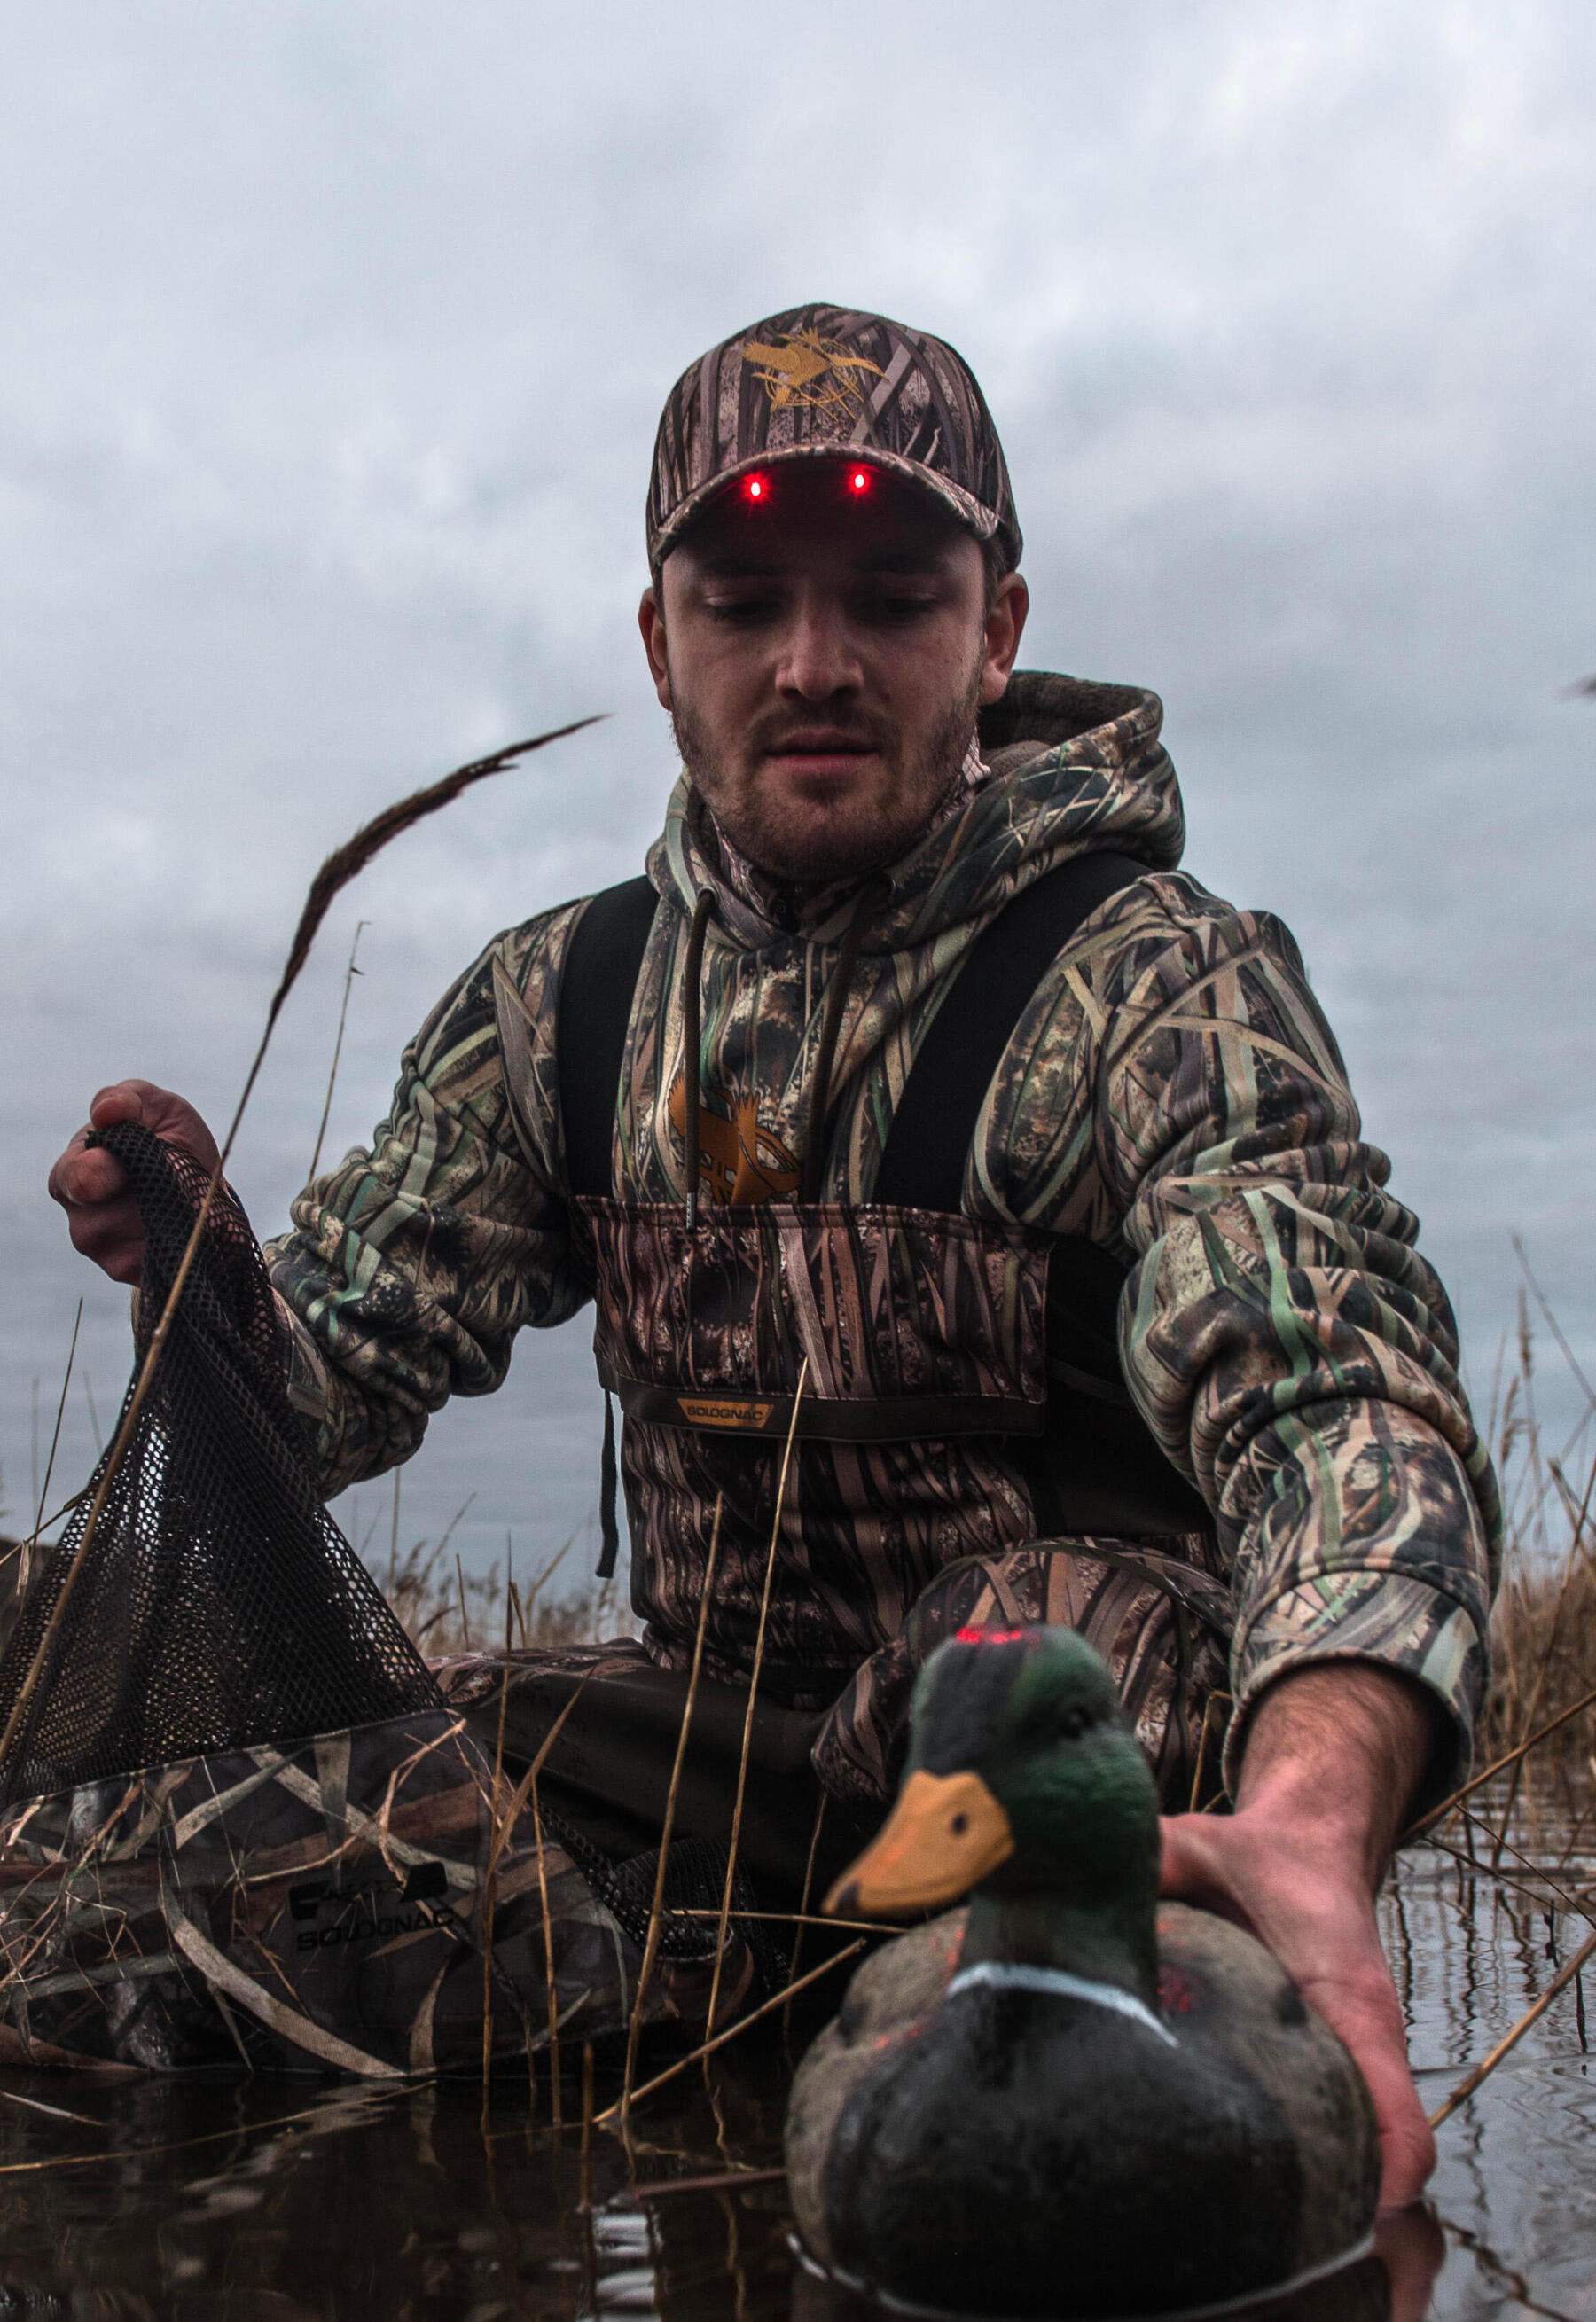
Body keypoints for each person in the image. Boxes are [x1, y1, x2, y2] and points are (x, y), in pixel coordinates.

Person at [50, 304, 1498, 2205]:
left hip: (1082, 1772)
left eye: (893, 594)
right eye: (745, 599)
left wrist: (1309, 1817)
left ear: (997, 629)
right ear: (663, 644)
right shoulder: (554, 1007)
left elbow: (1340, 1401)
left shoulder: (1160, 980)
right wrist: (211, 1306)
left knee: (1048, 2047)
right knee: (134, 1926)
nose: (815, 662)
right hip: (712, 1753)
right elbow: (334, 1372)